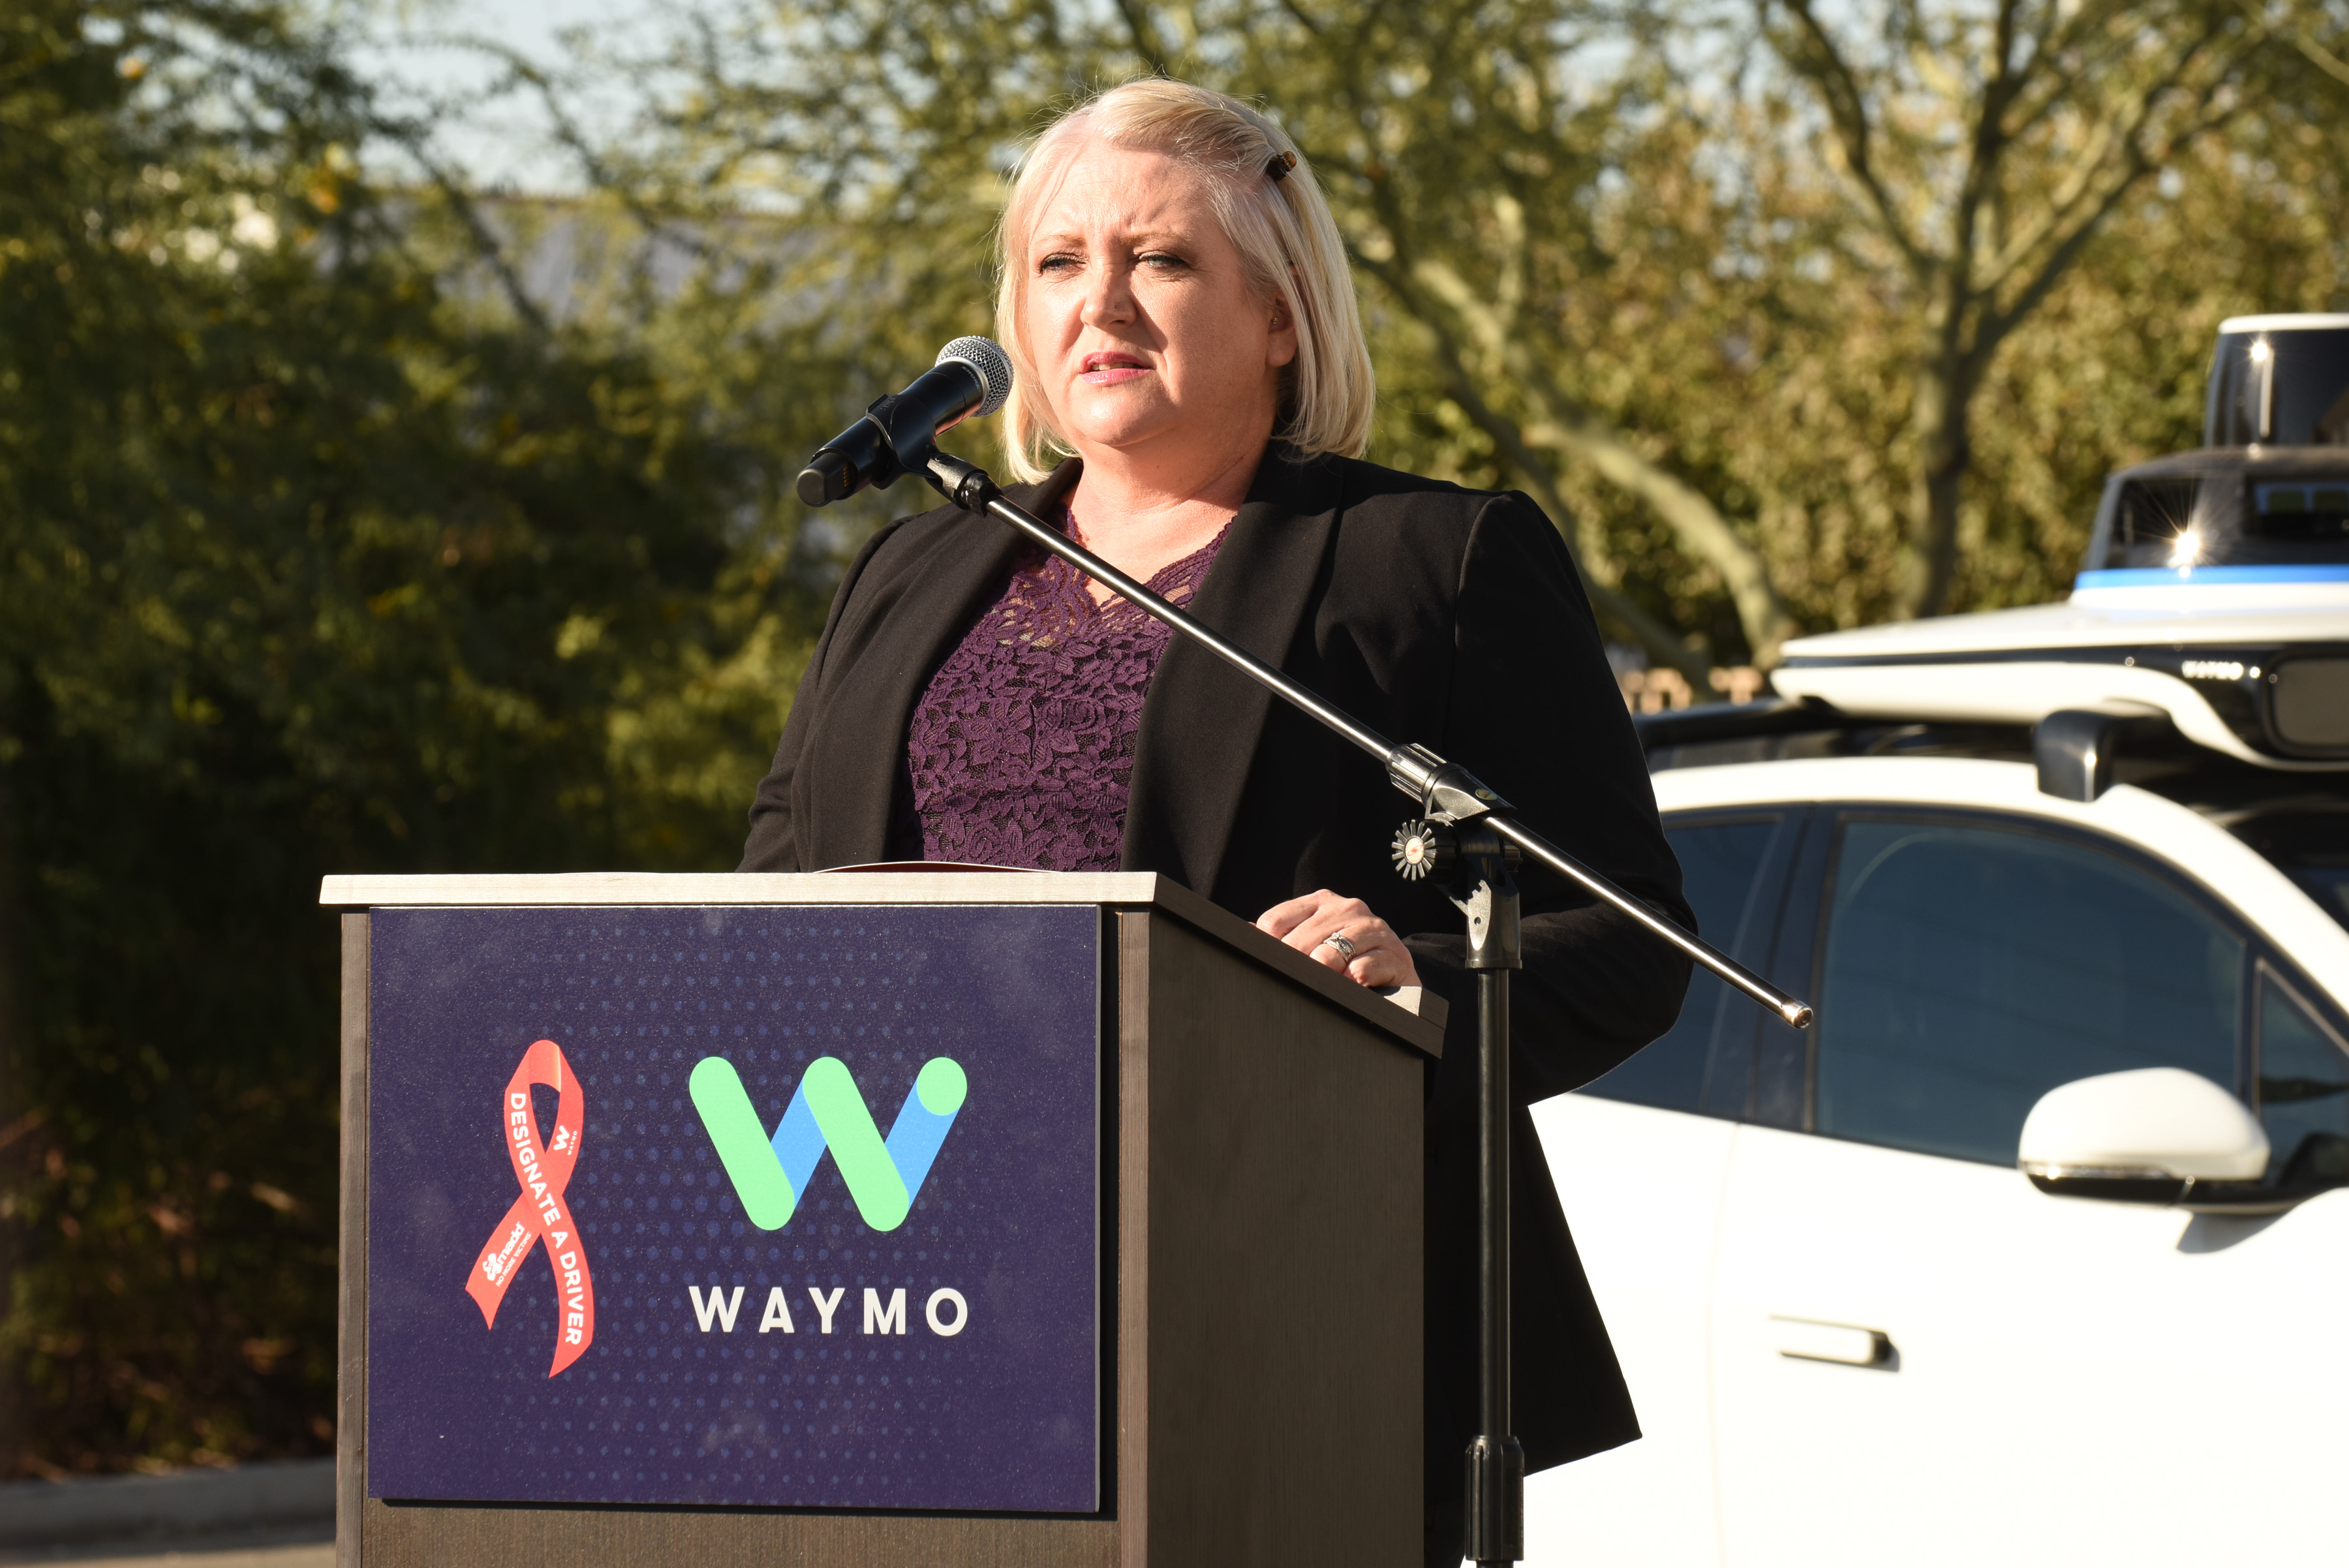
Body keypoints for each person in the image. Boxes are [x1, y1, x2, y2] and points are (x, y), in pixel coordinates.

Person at [739, 76, 1692, 1568]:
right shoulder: (909, 576)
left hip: (1271, 1320)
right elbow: (767, 905)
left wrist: (1418, 983)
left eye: (1162, 260)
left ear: (1282, 314)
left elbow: (1625, 935)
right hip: (907, 1301)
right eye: (1058, 263)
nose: (1098, 300)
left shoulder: (1427, 563)